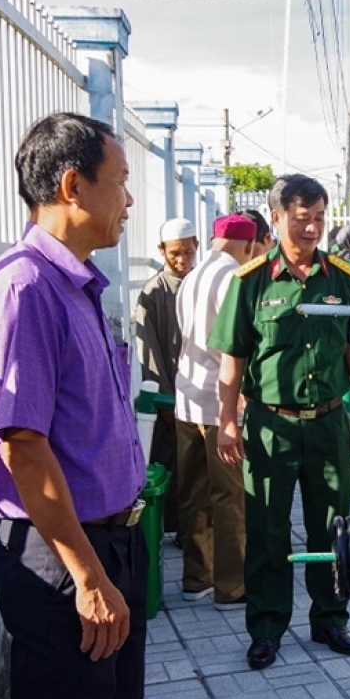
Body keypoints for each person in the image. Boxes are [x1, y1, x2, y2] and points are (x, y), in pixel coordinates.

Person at [0, 111, 148, 699]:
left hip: (108, 545)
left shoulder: (77, 286)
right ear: (75, 185)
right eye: (122, 182)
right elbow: (25, 447)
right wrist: (88, 575)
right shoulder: (24, 289)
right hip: (62, 557)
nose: (129, 200)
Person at [209, 174, 350, 670]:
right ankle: (268, 627)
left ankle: (331, 618)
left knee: (332, 525)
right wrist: (226, 422)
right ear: (275, 219)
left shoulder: (345, 277)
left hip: (329, 423)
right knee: (268, 528)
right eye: (301, 220)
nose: (312, 229)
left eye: (319, 218)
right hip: (269, 426)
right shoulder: (250, 280)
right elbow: (231, 359)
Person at [173, 213, 259, 610]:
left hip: (185, 398)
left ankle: (196, 578)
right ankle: (231, 585)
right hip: (218, 401)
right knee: (229, 496)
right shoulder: (233, 278)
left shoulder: (190, 276)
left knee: (192, 493)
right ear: (247, 246)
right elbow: (233, 345)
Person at [136, 216, 199, 539]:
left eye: (188, 252)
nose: (182, 260)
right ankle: (170, 528)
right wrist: (165, 399)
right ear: (162, 251)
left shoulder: (201, 284)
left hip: (201, 397)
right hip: (170, 401)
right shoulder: (153, 293)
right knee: (169, 464)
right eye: (175, 253)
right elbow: (150, 353)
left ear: (197, 247)